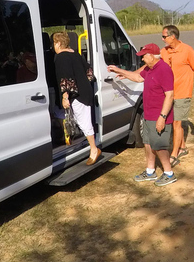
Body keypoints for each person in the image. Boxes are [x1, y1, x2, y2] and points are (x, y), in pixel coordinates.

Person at [107, 43, 178, 187]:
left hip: (159, 115)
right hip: (148, 114)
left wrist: (162, 117)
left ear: (151, 56)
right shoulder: (149, 68)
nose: (142, 59)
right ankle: (150, 171)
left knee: (159, 145)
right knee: (148, 143)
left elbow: (170, 95)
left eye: (144, 56)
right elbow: (138, 78)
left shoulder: (163, 70)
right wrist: (119, 71)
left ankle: (169, 173)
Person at [52, 32, 101, 165]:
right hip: (86, 91)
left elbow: (66, 78)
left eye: (54, 43)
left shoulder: (61, 57)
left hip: (77, 95)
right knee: (84, 120)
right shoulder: (76, 54)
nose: (53, 46)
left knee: (84, 122)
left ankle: (94, 149)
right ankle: (92, 147)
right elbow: (90, 74)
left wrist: (65, 96)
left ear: (58, 43)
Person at [160, 25, 194, 165]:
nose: (162, 39)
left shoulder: (187, 50)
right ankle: (182, 147)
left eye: (164, 36)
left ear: (173, 37)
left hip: (183, 92)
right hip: (169, 94)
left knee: (177, 123)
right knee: (173, 122)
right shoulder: (164, 52)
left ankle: (174, 154)